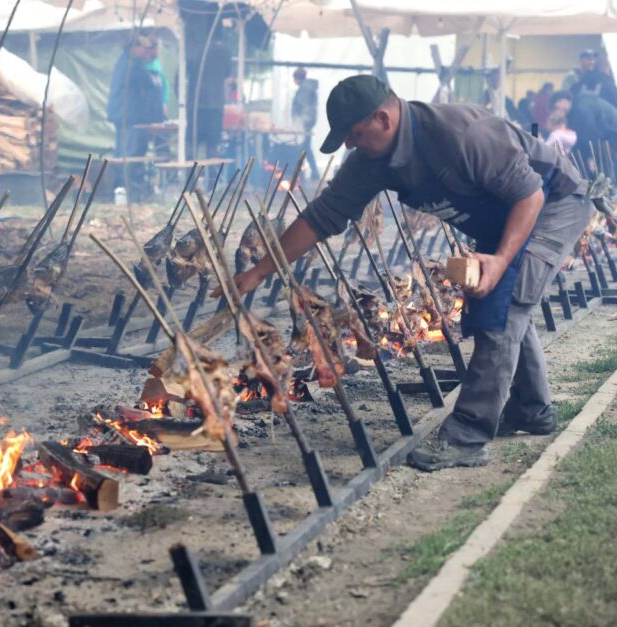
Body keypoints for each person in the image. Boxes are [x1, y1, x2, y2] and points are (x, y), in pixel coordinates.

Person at [225, 75, 594, 471]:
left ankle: (467, 437)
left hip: (550, 204)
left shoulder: (462, 136)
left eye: (354, 134)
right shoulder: (371, 161)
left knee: (504, 310)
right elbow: (322, 217)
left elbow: (529, 195)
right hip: (504, 215)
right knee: (501, 303)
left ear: (383, 119)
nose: (350, 145)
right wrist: (260, 271)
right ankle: (532, 410)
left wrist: (502, 260)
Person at [107, 35, 165, 199]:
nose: (146, 51)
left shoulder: (127, 62)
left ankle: (125, 188)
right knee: (130, 153)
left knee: (126, 151)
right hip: (128, 116)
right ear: (134, 48)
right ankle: (126, 189)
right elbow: (149, 82)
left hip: (125, 115)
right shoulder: (130, 66)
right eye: (143, 48)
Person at [567, 70, 617, 171]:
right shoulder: (579, 102)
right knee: (599, 157)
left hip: (613, 130)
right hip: (610, 127)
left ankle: (607, 177)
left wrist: (592, 155)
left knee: (605, 159)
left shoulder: (581, 106)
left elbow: (590, 131)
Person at [188, 37, 232, 159]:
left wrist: (186, 101)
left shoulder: (193, 49)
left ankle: (190, 170)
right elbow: (228, 77)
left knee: (192, 144)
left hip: (195, 105)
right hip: (215, 105)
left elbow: (179, 78)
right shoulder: (224, 51)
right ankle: (213, 171)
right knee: (213, 146)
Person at [292, 66, 320, 180]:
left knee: (303, 148)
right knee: (305, 148)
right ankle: (310, 173)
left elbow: (303, 107)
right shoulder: (307, 87)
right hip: (307, 123)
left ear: (297, 78)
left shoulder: (305, 89)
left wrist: (301, 123)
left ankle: (305, 173)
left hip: (304, 124)